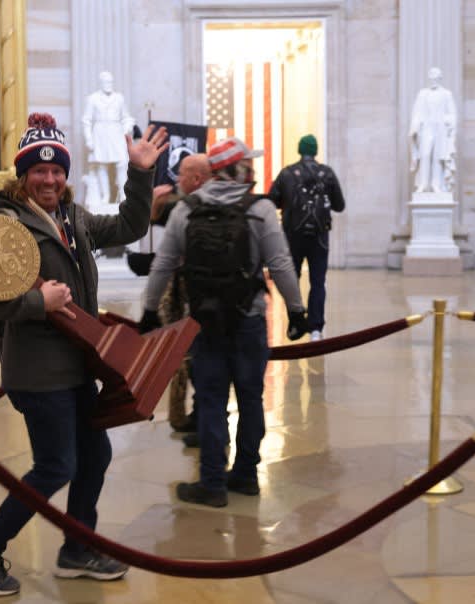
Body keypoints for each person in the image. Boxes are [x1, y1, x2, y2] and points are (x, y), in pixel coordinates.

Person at [0, 113, 168, 596]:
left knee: (94, 453)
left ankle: (77, 549)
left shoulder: (73, 218)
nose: (49, 178)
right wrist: (36, 302)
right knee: (56, 465)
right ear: (22, 175)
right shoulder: (4, 224)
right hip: (36, 369)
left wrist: (140, 173)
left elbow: (131, 225)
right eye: (38, 170)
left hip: (76, 364)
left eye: (56, 170)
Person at [138, 137, 306, 508]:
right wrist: (296, 311)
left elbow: (163, 264)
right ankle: (246, 475)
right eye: (249, 162)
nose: (253, 167)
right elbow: (280, 264)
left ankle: (212, 482)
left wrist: (149, 310)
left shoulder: (187, 210)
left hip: (205, 322)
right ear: (239, 169)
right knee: (250, 398)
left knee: (211, 399)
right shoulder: (259, 209)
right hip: (247, 319)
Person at [149, 153, 211, 434]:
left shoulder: (194, 206)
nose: (177, 177)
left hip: (195, 298)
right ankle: (188, 416)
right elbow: (153, 222)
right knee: (187, 356)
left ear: (197, 178)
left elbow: (167, 259)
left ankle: (198, 418)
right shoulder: (181, 204)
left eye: (183, 172)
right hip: (185, 294)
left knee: (193, 359)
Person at [267, 135, 345, 342]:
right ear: (315, 151)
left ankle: (296, 321)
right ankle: (316, 328)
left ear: (300, 150)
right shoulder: (327, 173)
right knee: (318, 282)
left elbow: (271, 201)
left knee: (291, 279)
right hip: (319, 237)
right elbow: (339, 205)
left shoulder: (286, 173)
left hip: (293, 235)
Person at [82, 71, 136, 207]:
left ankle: (123, 194)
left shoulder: (119, 98)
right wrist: (89, 139)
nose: (108, 85)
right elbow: (86, 120)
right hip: (99, 133)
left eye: (110, 82)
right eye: (106, 82)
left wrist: (127, 127)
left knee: (121, 163)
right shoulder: (92, 98)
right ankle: (105, 196)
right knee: (101, 165)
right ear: (101, 83)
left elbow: (126, 117)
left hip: (116, 132)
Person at [409, 67, 457, 193]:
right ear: (429, 77)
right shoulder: (423, 94)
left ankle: (436, 184)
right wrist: (415, 126)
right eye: (432, 76)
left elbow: (452, 113)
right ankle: (423, 184)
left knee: (437, 157)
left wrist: (449, 122)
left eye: (436, 76)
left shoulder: (446, 94)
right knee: (425, 154)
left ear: (440, 78)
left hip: (440, 127)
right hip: (426, 128)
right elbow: (417, 112)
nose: (434, 78)